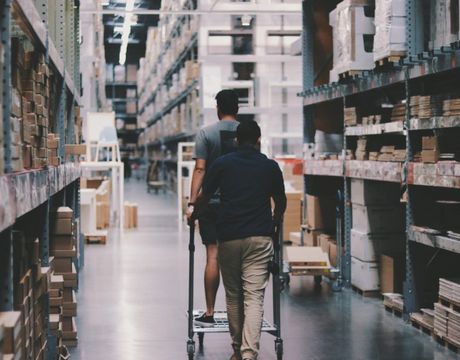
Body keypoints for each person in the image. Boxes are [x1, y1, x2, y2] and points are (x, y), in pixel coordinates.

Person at [193, 120, 287, 360]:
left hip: (229, 237)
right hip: (260, 237)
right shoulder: (270, 166)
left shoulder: (223, 164)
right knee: (254, 297)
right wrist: (275, 222)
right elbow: (281, 200)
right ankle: (248, 354)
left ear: (236, 140)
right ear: (259, 140)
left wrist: (193, 213)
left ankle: (237, 350)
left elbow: (205, 196)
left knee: (234, 296)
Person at [186, 89, 240, 326]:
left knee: (213, 256)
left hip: (210, 204)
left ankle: (209, 312)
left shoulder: (206, 133)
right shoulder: (247, 133)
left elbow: (200, 169)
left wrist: (191, 203)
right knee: (238, 257)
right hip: (238, 203)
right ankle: (238, 311)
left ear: (218, 108)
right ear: (237, 108)